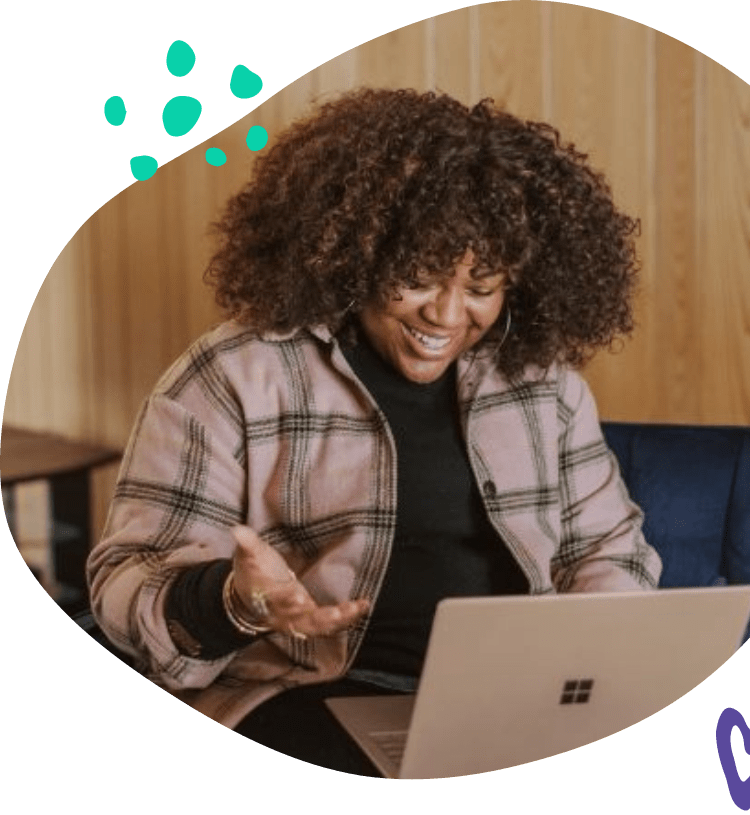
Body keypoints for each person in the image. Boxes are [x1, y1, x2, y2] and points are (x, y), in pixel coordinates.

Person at [87, 87, 662, 776]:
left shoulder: (546, 384)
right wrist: (233, 600)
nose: (447, 315)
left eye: (481, 286)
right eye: (417, 278)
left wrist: (591, 659)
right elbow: (126, 585)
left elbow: (607, 549)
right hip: (303, 694)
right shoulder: (232, 374)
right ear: (356, 255)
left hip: (510, 702)